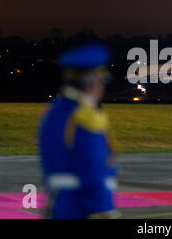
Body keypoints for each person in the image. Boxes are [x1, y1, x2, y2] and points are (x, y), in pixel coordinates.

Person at [39, 44, 119, 219]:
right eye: (102, 79)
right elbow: (94, 168)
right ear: (91, 81)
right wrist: (104, 211)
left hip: (58, 205)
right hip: (82, 207)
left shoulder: (54, 112)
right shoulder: (85, 115)